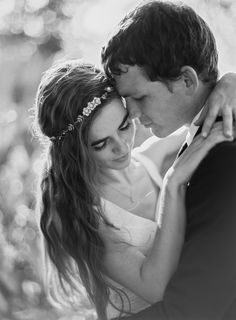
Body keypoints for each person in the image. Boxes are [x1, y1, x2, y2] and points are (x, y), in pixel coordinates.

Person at [101, 1, 236, 319]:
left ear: (187, 81)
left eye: (140, 97)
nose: (131, 114)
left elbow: (195, 307)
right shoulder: (203, 141)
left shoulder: (223, 157)